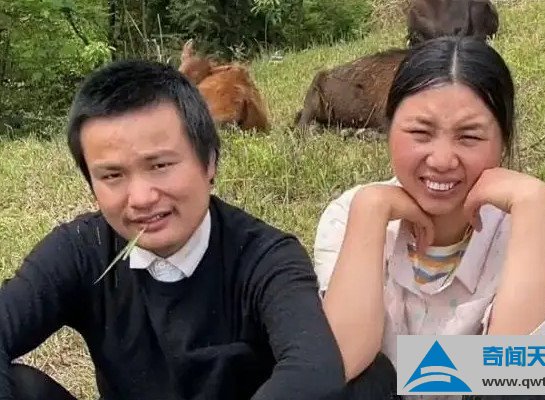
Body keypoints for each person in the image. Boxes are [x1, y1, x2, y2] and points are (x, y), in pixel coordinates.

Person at [0, 59, 349, 400]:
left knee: (370, 380)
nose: (141, 198)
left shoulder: (266, 257)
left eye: (160, 165)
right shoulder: (81, 250)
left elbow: (313, 367)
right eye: (112, 175)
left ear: (209, 161)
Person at [313, 36, 545, 399]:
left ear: (502, 141)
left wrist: (533, 201)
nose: (441, 160)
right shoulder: (348, 215)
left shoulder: (534, 231)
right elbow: (339, 364)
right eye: (420, 133)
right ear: (388, 130)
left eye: (469, 137)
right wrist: (371, 210)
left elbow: (526, 378)